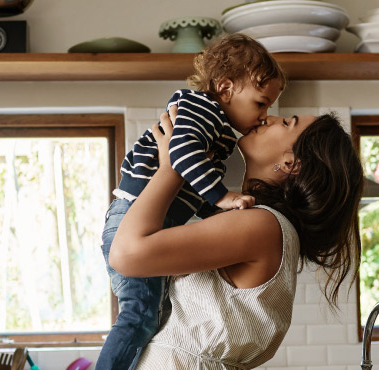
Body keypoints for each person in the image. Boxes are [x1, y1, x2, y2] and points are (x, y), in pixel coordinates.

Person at [109, 107, 364, 369]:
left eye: (287, 123)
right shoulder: (266, 225)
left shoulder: (262, 225)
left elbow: (126, 254)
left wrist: (172, 166)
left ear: (291, 163)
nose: (269, 117)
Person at [96, 34, 286, 370]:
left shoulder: (218, 128)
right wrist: (222, 197)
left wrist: (215, 209)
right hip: (130, 217)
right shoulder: (203, 109)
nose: (263, 115)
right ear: (225, 88)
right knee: (138, 318)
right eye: (260, 103)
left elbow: (191, 184)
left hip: (141, 219)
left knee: (154, 315)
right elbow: (179, 156)